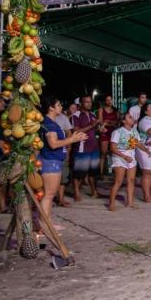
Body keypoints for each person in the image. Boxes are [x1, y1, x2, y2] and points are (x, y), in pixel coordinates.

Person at [39, 96, 87, 224]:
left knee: (50, 195)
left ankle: (47, 223)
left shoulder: (51, 122)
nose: (61, 107)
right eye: (59, 105)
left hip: (54, 160)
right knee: (49, 195)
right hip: (50, 161)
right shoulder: (49, 124)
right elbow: (53, 144)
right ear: (51, 108)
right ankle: (44, 225)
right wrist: (72, 139)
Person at [107, 112, 148, 211]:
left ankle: (130, 203)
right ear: (123, 121)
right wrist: (124, 156)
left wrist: (146, 150)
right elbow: (113, 148)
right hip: (119, 157)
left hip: (131, 157)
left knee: (131, 180)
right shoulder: (117, 132)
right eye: (129, 117)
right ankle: (111, 204)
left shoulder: (134, 131)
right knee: (118, 181)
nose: (132, 118)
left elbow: (138, 144)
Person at [71, 95, 102, 200]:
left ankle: (94, 192)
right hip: (82, 147)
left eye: (90, 102)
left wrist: (99, 129)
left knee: (94, 172)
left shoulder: (93, 114)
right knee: (79, 173)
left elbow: (94, 129)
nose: (89, 104)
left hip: (94, 147)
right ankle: (77, 193)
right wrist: (91, 125)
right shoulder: (76, 115)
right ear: (81, 103)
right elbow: (76, 131)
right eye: (86, 102)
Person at [97, 94, 120, 180]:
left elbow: (117, 123)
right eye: (107, 100)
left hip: (114, 133)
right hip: (104, 132)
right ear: (105, 101)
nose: (109, 101)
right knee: (103, 153)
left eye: (110, 100)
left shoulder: (116, 110)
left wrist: (107, 122)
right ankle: (101, 173)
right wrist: (110, 123)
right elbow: (100, 122)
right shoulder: (101, 109)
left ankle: (112, 172)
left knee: (113, 153)